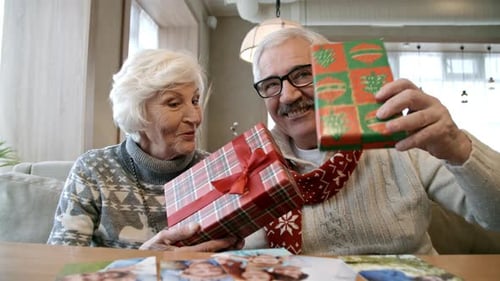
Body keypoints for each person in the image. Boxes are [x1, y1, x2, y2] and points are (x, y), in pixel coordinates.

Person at [244, 27, 500, 255]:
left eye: (302, 74)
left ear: (334, 72)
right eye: (270, 84)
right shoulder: (253, 169)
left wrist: (458, 146)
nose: (288, 96)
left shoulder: (403, 143)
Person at [47, 49, 242, 252]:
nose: (194, 117)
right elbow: (58, 263)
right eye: (174, 103)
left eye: (195, 101)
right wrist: (143, 264)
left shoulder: (215, 169)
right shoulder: (94, 170)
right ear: (137, 112)